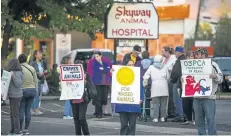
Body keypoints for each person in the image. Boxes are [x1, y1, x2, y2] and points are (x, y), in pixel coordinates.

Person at [193, 48, 223, 135]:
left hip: (209, 97)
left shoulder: (213, 65)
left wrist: (215, 76)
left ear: (203, 55)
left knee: (210, 119)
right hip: (196, 97)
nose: (196, 57)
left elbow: (220, 78)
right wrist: (183, 81)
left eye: (197, 55)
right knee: (198, 120)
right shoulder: (193, 65)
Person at [114, 60, 144, 135]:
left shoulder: (137, 77)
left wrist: (141, 98)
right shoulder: (120, 75)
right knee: (123, 124)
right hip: (122, 104)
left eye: (132, 64)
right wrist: (113, 72)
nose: (131, 66)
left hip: (133, 104)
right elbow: (115, 85)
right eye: (129, 65)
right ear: (126, 66)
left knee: (132, 125)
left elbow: (141, 88)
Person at [143, 55, 169, 122]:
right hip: (164, 85)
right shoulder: (165, 66)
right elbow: (168, 77)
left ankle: (155, 118)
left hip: (155, 86)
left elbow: (146, 76)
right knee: (164, 103)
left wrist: (145, 82)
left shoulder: (151, 67)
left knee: (155, 103)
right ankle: (163, 117)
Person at [18, 54, 38, 135]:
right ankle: (26, 129)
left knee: (21, 109)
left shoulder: (19, 68)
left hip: (23, 90)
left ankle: (19, 129)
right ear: (26, 60)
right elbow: (35, 80)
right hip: (32, 90)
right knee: (28, 109)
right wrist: (36, 90)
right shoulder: (32, 68)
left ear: (19, 60)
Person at [71, 60, 91, 135]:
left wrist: (86, 82)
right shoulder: (70, 75)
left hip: (83, 99)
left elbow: (91, 86)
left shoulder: (86, 74)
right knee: (76, 120)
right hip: (73, 99)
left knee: (81, 118)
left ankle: (86, 134)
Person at [8, 59, 24, 135]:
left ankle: (17, 131)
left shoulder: (18, 73)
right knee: (12, 114)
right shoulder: (11, 73)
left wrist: (13, 76)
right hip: (12, 95)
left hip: (16, 96)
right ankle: (12, 130)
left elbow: (18, 84)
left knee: (15, 114)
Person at [170, 46, 186, 122]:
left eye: (175, 52)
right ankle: (183, 115)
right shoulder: (185, 59)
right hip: (184, 82)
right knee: (183, 100)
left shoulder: (179, 60)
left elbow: (176, 72)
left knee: (177, 99)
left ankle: (179, 115)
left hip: (178, 82)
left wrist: (172, 79)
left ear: (178, 52)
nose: (175, 54)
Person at [30, 50, 48, 115]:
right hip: (35, 81)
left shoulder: (42, 62)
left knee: (38, 96)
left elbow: (45, 70)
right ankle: (35, 109)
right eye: (39, 54)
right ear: (35, 55)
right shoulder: (32, 63)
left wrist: (45, 72)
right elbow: (31, 71)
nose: (41, 55)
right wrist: (38, 74)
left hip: (41, 81)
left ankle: (35, 109)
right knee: (35, 95)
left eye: (41, 54)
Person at [162, 46, 177, 118]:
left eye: (163, 52)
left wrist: (166, 68)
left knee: (171, 96)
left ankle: (172, 112)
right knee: (166, 96)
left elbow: (173, 68)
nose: (162, 53)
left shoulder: (173, 58)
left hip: (171, 79)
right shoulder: (164, 59)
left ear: (167, 52)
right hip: (164, 80)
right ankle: (167, 111)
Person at [182, 51, 195, 125]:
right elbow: (180, 75)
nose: (191, 58)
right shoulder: (183, 66)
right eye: (190, 56)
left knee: (194, 104)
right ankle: (188, 119)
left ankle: (195, 119)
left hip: (193, 87)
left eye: (192, 56)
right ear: (186, 57)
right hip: (185, 87)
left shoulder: (196, 66)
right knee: (186, 105)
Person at [140, 51, 152, 117]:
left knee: (141, 97)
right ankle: (147, 112)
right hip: (149, 82)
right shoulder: (151, 63)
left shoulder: (139, 63)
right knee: (148, 98)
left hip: (141, 81)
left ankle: (141, 111)